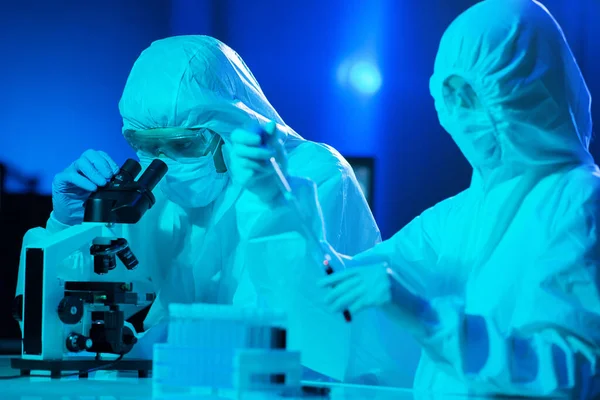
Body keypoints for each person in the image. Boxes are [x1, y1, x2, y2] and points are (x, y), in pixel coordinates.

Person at [230, 0, 600, 397]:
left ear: (531, 89)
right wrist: (276, 199)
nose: (459, 112)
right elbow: (337, 295)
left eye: (472, 94)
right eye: (450, 95)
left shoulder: (579, 201)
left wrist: (424, 316)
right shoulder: (459, 217)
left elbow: (575, 374)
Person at [15, 35, 408, 383]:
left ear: (230, 124)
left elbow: (287, 328)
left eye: (183, 145)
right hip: (190, 382)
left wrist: (159, 342)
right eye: (146, 145)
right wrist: (65, 225)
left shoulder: (311, 173)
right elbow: (70, 309)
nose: (163, 162)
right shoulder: (161, 188)